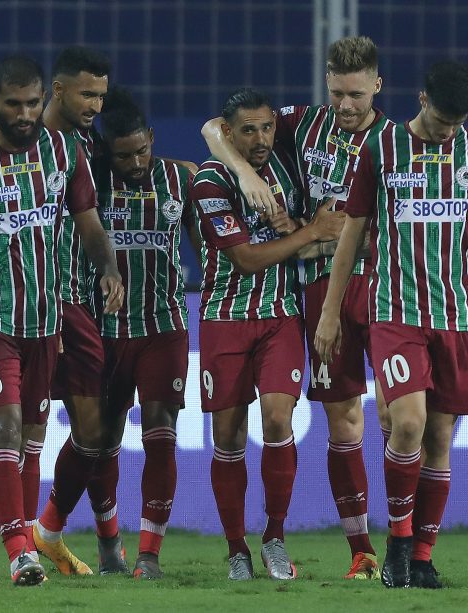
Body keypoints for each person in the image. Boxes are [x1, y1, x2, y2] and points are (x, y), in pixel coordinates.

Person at [315, 59, 468, 589]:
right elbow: (351, 235)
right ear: (422, 99)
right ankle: (398, 546)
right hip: (394, 312)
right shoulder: (380, 151)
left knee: (440, 436)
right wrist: (332, 312)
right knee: (406, 423)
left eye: (458, 123)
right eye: (443, 120)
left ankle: (423, 557)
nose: (450, 132)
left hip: (453, 315)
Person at [201, 36, 390, 580]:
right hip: (316, 290)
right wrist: (246, 172)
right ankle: (362, 551)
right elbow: (215, 127)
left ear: (376, 86)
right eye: (337, 94)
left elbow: (392, 229)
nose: (346, 106)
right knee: (342, 418)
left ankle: (407, 544)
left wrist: (329, 236)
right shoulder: (304, 123)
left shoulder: (397, 142)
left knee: (406, 421)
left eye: (356, 95)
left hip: (381, 287)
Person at [0, 53, 123, 588]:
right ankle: (20, 552)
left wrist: (108, 268)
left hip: (45, 322)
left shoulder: (65, 154)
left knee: (30, 442)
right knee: (5, 430)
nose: (23, 113)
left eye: (32, 104)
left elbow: (89, 225)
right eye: (13, 104)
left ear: (44, 101)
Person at [191, 88, 345, 581]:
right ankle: (236, 548)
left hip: (281, 316)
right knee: (228, 436)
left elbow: (310, 233)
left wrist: (300, 227)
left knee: (279, 420)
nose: (260, 139)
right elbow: (246, 257)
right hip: (224, 317)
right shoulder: (211, 180)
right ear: (231, 133)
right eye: (249, 130)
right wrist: (309, 232)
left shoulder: (287, 170)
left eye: (267, 128)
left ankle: (275, 537)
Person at [85, 87, 201, 579]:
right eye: (124, 155)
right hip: (105, 330)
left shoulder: (182, 178)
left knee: (162, 433)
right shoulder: (88, 186)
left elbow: (207, 248)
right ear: (105, 152)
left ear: (153, 138)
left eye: (142, 149)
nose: (135, 162)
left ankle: (150, 554)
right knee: (104, 437)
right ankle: (109, 540)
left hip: (164, 327)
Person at [31, 46, 130, 577]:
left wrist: (108, 271)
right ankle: (7, 542)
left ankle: (48, 532)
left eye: (101, 95)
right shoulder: (27, 147)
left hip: (81, 301)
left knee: (96, 430)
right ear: (59, 89)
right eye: (87, 93)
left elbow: (90, 223)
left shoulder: (85, 145)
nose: (95, 103)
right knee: (21, 428)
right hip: (40, 303)